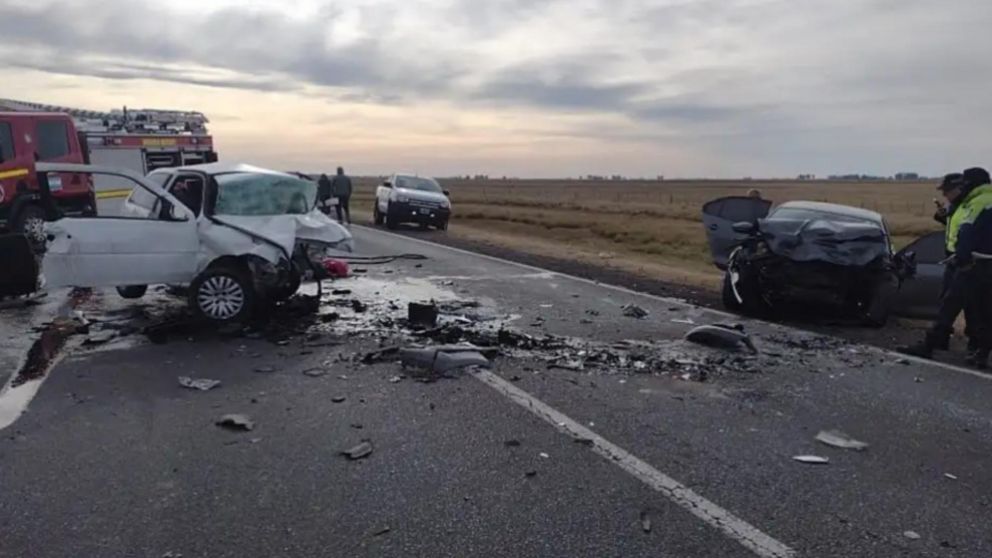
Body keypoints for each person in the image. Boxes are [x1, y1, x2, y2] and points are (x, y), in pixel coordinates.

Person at [899, 169, 992, 367]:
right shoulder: (977, 200)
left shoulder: (976, 202)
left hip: (970, 263)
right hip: (978, 261)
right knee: (982, 309)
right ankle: (980, 352)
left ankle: (932, 345)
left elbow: (968, 232)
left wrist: (962, 257)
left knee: (950, 307)